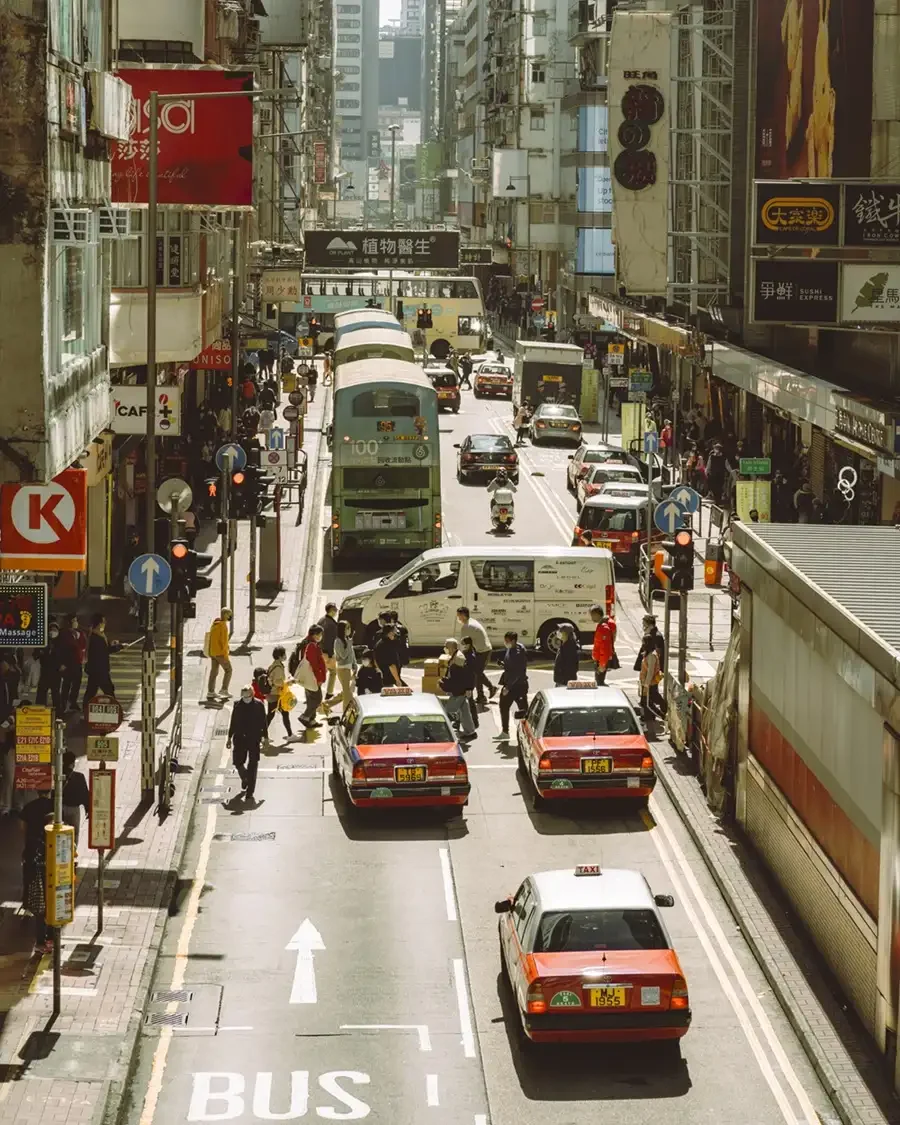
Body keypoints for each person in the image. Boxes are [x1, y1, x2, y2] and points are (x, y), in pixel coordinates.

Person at [20, 790, 54, 953]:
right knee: (52, 903)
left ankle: (42, 941)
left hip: (34, 863)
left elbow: (22, 829)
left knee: (40, 906)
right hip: (52, 867)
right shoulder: (55, 806)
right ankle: (51, 938)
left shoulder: (28, 807)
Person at [227, 686, 268, 799]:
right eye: (244, 696)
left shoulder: (259, 705)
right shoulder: (237, 705)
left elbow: (263, 722)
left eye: (248, 696)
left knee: (253, 763)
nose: (246, 699)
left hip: (254, 738)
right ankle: (245, 776)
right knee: (238, 761)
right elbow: (233, 721)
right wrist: (229, 737)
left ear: (252, 695)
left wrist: (265, 737)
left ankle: (250, 790)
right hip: (240, 738)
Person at [455, 606, 494, 706]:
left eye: (459, 616)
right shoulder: (471, 621)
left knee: (477, 673)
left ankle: (486, 692)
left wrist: (456, 656)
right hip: (482, 650)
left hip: (483, 651)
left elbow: (463, 644)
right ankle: (482, 695)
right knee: (477, 672)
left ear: (463, 615)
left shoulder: (467, 627)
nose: (458, 618)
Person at [439, 639, 476, 743]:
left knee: (448, 711)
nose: (444, 648)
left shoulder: (459, 658)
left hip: (460, 690)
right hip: (460, 689)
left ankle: (444, 734)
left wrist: (444, 684)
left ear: (451, 647)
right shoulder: (456, 656)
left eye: (446, 646)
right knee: (464, 711)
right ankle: (470, 732)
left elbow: (465, 676)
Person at [495, 631, 528, 738]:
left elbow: (517, 672)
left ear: (513, 641)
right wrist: (503, 664)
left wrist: (508, 688)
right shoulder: (513, 648)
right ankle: (506, 732)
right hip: (515, 684)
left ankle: (523, 731)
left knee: (522, 710)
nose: (505, 643)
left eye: (507, 641)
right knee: (507, 707)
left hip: (516, 685)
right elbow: (512, 667)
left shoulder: (517, 652)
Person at [295, 624, 327, 728]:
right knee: (317, 698)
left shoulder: (307, 643)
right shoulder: (312, 646)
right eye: (319, 634)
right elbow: (315, 664)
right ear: (314, 635)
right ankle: (305, 716)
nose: (320, 637)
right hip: (312, 677)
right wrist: (319, 678)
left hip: (308, 677)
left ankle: (311, 720)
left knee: (310, 699)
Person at [84, 614, 119, 701]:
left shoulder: (99, 635)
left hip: (96, 669)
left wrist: (117, 646)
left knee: (91, 691)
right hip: (99, 669)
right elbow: (104, 651)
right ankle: (114, 708)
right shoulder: (96, 637)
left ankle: (85, 707)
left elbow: (105, 649)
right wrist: (118, 647)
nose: (105, 623)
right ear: (99, 624)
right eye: (103, 622)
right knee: (109, 690)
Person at [59, 614, 86, 713]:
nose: (76, 622)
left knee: (77, 684)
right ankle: (63, 703)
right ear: (69, 622)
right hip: (67, 663)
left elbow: (83, 646)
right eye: (74, 620)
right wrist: (62, 663)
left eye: (76, 620)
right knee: (66, 684)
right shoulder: (63, 633)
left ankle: (73, 702)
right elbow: (61, 649)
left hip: (77, 662)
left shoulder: (80, 633)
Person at [61, 751, 90, 844]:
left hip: (60, 808)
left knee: (60, 831)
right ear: (72, 764)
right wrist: (87, 809)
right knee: (75, 832)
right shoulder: (79, 777)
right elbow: (85, 794)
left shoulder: (57, 776)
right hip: (74, 809)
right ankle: (73, 852)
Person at [265, 646, 293, 740]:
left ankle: (262, 735)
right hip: (275, 694)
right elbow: (277, 682)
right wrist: (287, 682)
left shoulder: (275, 665)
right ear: (280, 656)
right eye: (284, 654)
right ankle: (290, 735)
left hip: (272, 694)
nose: (286, 656)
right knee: (281, 713)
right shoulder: (278, 667)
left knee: (271, 715)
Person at [205, 609, 233, 702]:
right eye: (229, 614)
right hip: (220, 653)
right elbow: (224, 642)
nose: (230, 616)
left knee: (214, 672)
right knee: (228, 670)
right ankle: (224, 689)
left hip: (213, 652)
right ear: (225, 615)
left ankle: (211, 691)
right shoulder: (223, 626)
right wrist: (226, 655)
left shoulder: (215, 624)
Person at [36, 621, 64, 713]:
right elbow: (36, 653)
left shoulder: (61, 642)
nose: (52, 631)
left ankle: (58, 713)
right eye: (51, 629)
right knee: (41, 692)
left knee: (55, 693)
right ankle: (39, 710)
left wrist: (64, 665)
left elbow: (66, 655)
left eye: (55, 629)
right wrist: (40, 653)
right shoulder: (43, 641)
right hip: (45, 671)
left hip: (56, 672)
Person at [332, 620, 358, 712]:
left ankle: (327, 704)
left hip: (349, 668)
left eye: (349, 627)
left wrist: (355, 664)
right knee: (347, 693)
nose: (349, 630)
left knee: (347, 691)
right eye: (347, 628)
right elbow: (343, 655)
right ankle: (346, 712)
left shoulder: (347, 640)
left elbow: (352, 653)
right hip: (343, 669)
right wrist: (349, 644)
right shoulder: (337, 641)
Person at [640, 636, 667, 721]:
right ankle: (649, 716)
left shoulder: (651, 656)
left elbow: (650, 671)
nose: (642, 644)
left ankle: (662, 715)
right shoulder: (648, 654)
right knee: (648, 701)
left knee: (648, 702)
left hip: (650, 683)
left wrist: (646, 685)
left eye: (644, 642)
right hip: (647, 682)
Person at [318, 603, 339, 701]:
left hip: (319, 651)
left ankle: (316, 691)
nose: (337, 611)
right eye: (335, 609)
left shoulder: (321, 620)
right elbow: (330, 641)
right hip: (327, 653)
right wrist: (331, 655)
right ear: (331, 611)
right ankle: (329, 693)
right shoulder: (332, 625)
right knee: (332, 672)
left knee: (322, 672)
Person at [591, 604, 617, 686]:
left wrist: (602, 664)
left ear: (597, 614)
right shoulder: (604, 624)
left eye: (592, 615)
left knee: (599, 684)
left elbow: (604, 648)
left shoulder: (604, 627)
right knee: (599, 682)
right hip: (600, 658)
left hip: (600, 659)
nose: (591, 618)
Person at [373, 622, 404, 689]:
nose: (396, 632)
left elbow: (375, 659)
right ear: (390, 633)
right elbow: (391, 665)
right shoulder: (387, 646)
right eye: (395, 630)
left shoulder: (381, 643)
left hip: (384, 677)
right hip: (389, 679)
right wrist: (397, 680)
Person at [459, 637, 480, 731]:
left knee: (470, 703)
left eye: (463, 643)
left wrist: (469, 688)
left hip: (468, 684)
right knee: (469, 702)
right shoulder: (467, 653)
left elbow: (471, 674)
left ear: (468, 645)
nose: (462, 645)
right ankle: (474, 721)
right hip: (466, 683)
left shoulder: (470, 657)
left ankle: (474, 722)